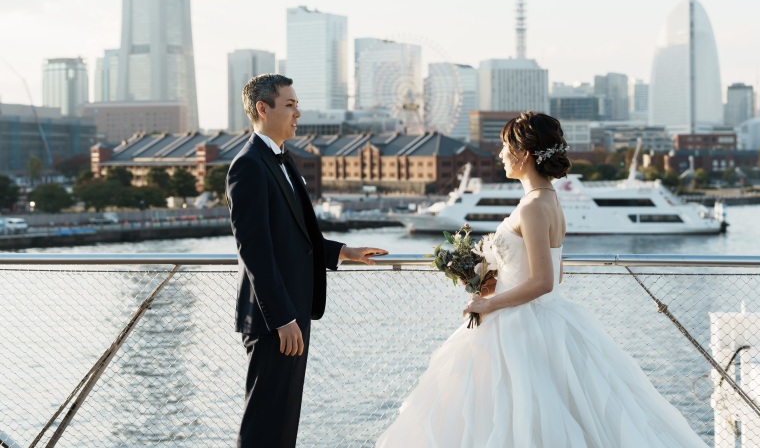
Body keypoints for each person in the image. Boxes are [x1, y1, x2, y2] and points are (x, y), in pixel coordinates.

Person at [376, 112, 706, 447]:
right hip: (544, 318)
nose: (501, 155)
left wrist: (487, 303)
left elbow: (543, 282)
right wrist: (487, 278)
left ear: (523, 154)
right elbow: (553, 272)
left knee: (504, 412)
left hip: (518, 325)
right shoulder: (550, 200)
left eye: (505, 148)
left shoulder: (533, 206)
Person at [226, 73, 388, 448]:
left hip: (292, 313)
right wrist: (282, 319)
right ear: (263, 109)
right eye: (290, 105)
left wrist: (342, 252)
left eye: (297, 104)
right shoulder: (248, 165)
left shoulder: (283, 159)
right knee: (265, 423)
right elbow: (255, 250)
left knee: (283, 421)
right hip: (275, 320)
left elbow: (293, 234)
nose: (298, 112)